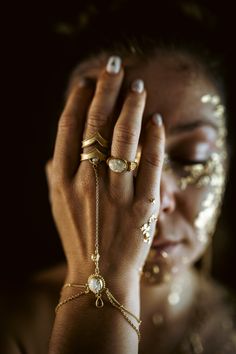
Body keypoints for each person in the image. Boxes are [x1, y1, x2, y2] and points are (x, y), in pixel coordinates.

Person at [1, 1, 236, 353]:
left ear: (227, 162)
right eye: (111, 158)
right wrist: (100, 278)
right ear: (62, 179)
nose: (153, 200)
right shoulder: (12, 326)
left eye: (192, 159)